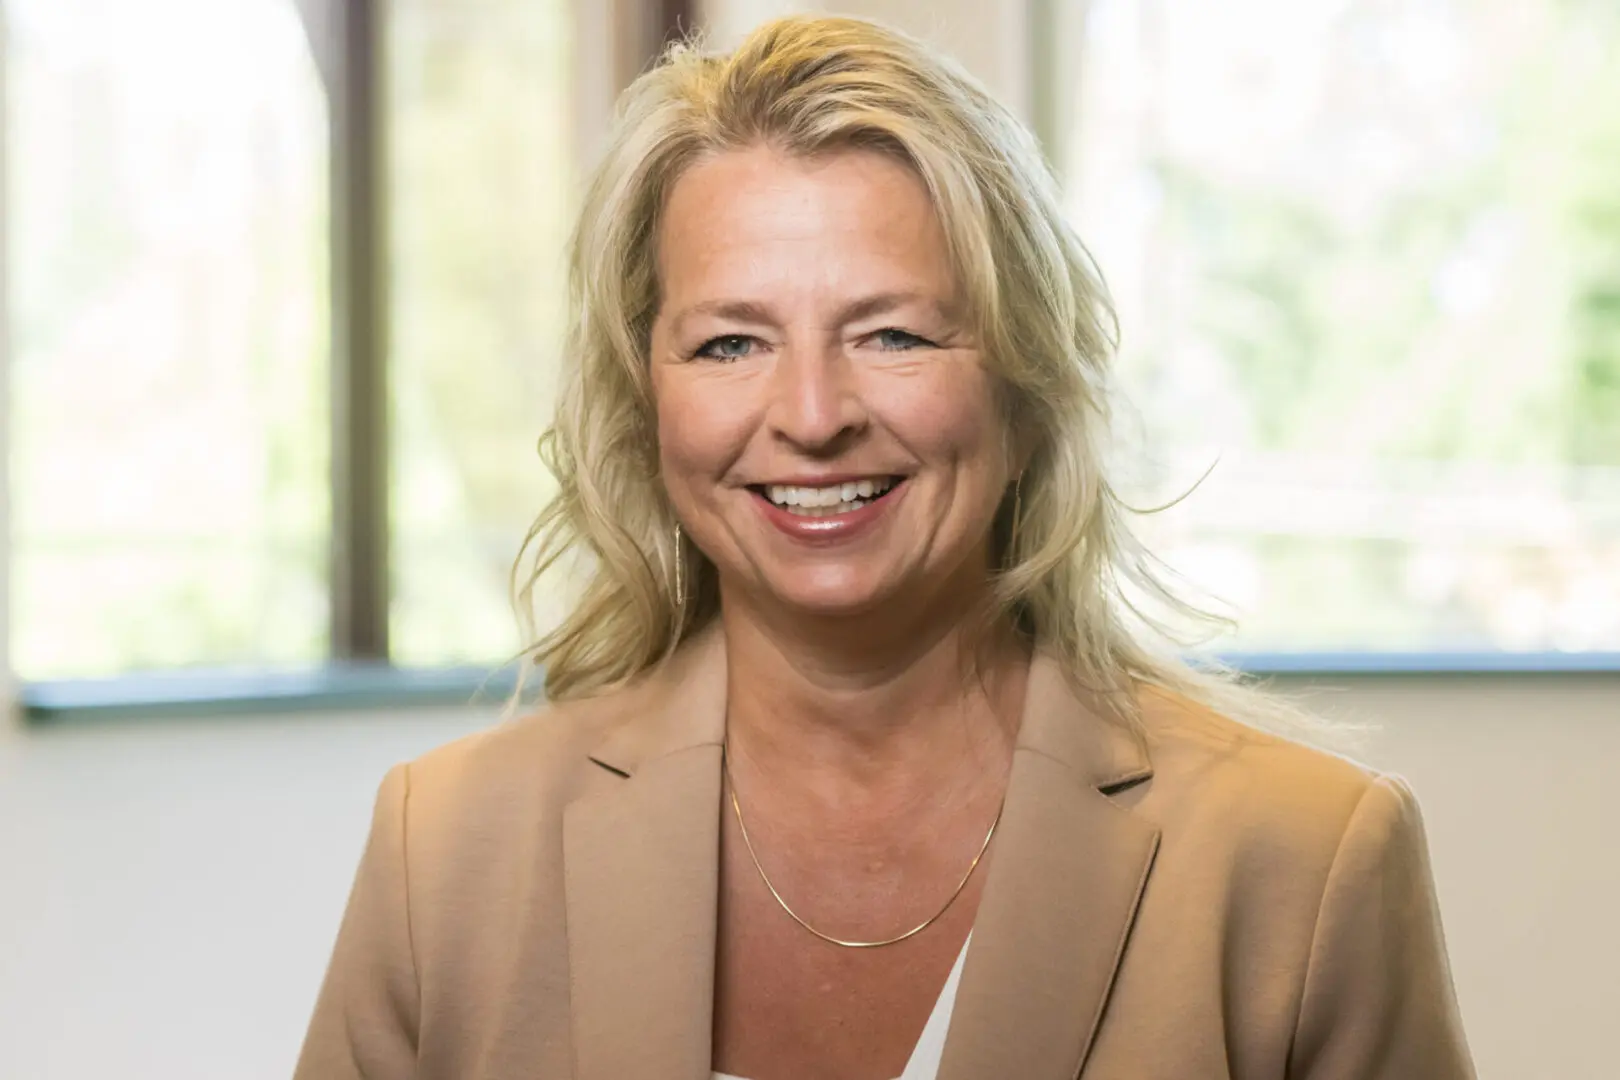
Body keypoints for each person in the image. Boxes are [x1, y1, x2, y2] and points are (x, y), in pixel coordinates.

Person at [294, 14, 1475, 1080]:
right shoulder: (441, 856)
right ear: (643, 400)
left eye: (895, 334)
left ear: (1025, 385)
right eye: (728, 346)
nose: (812, 415)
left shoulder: (1302, 863)